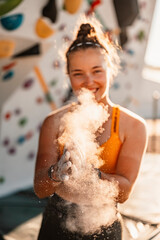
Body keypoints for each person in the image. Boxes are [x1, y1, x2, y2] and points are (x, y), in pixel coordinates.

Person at [34, 16, 148, 240]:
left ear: (111, 69)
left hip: (104, 226)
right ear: (68, 76)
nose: (89, 81)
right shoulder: (54, 122)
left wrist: (93, 174)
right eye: (78, 73)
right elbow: (40, 188)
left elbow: (123, 193)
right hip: (56, 221)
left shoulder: (133, 126)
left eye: (97, 71)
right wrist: (56, 172)